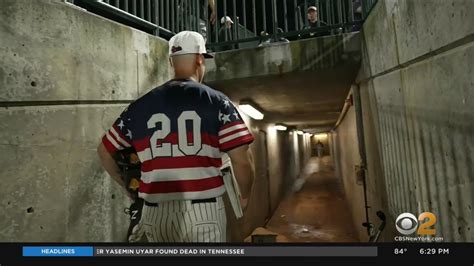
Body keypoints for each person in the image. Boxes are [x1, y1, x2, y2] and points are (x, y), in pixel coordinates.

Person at [97, 31, 255, 242]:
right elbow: (242, 161)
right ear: (200, 59)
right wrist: (244, 196)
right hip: (203, 210)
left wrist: (127, 187)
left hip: (154, 212)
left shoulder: (139, 107)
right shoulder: (216, 102)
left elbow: (105, 151)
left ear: (171, 61)